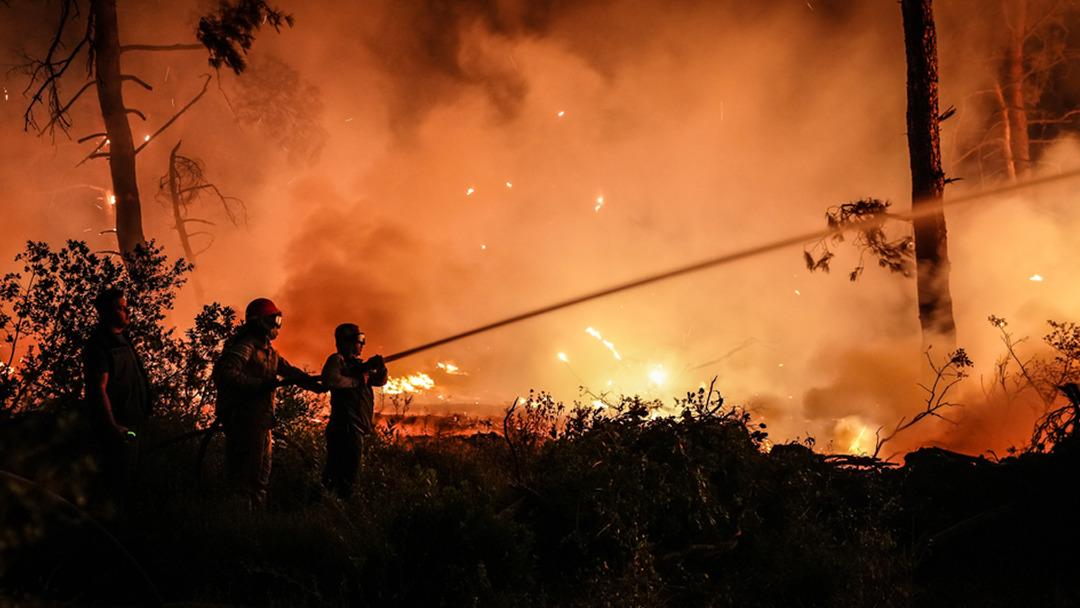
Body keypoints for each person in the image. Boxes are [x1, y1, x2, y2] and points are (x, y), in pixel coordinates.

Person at [212, 297, 323, 508]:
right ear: (260, 321)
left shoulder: (270, 352)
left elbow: (289, 371)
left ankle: (255, 522)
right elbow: (225, 374)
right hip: (244, 421)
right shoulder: (246, 347)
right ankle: (237, 523)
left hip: (262, 422)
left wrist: (314, 384)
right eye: (274, 320)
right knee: (244, 479)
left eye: (278, 320)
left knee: (261, 478)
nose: (276, 326)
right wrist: (259, 384)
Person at [82, 287, 152, 511]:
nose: (127, 312)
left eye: (126, 307)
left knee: (132, 480)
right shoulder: (100, 346)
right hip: (119, 427)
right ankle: (112, 532)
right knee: (117, 483)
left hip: (134, 421)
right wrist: (112, 426)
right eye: (120, 308)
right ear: (105, 312)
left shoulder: (123, 339)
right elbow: (97, 389)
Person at [321, 323, 387, 499]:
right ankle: (333, 512)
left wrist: (380, 367)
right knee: (343, 478)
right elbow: (330, 380)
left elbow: (380, 381)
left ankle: (322, 508)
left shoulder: (357, 366)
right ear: (347, 341)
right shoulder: (337, 360)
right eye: (359, 340)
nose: (362, 344)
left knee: (338, 475)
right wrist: (357, 381)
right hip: (345, 428)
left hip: (354, 429)